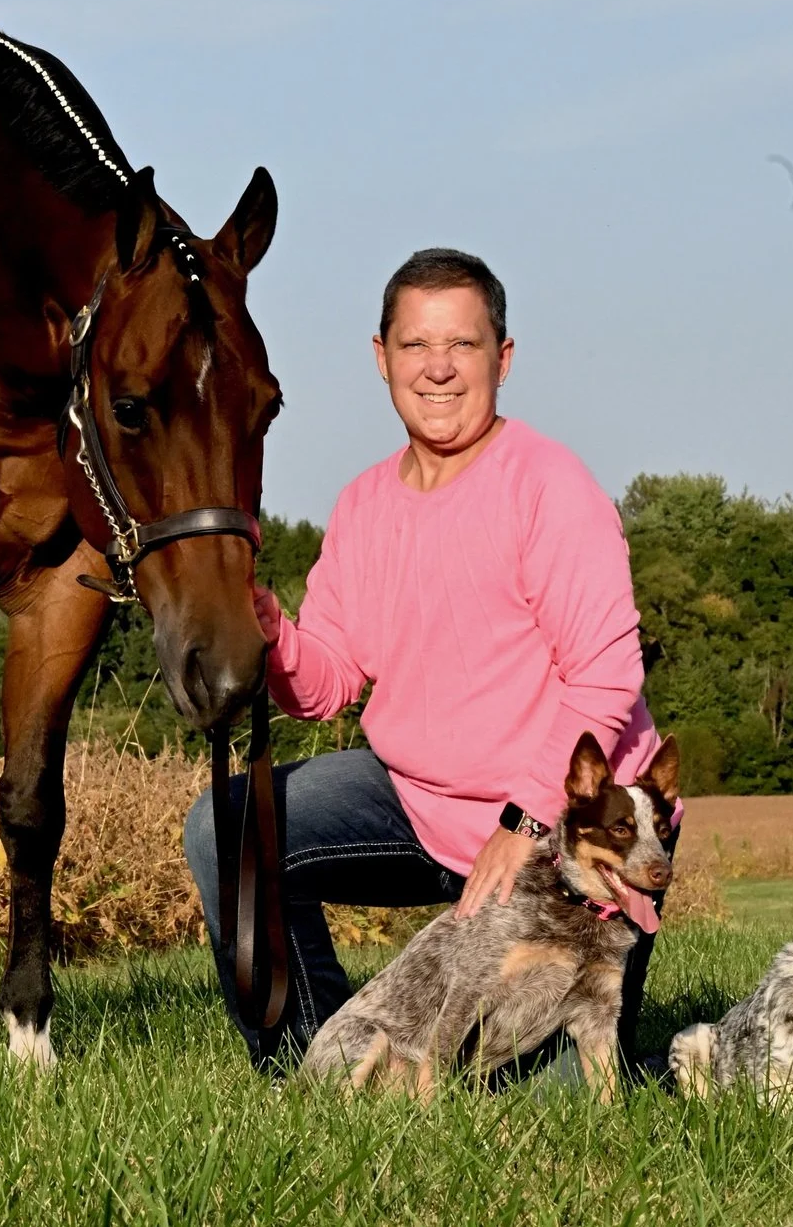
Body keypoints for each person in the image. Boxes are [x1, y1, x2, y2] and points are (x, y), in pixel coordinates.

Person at [184, 247, 671, 1070]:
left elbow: (606, 678)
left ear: (503, 360)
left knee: (548, 1104)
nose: (438, 369)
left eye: (464, 346)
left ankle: (687, 1068)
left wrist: (522, 823)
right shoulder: (364, 503)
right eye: (415, 346)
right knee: (228, 827)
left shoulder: (551, 487)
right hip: (416, 803)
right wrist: (263, 622)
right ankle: (316, 1066)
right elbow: (329, 677)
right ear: (381, 358)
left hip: (567, 831)